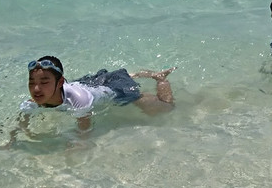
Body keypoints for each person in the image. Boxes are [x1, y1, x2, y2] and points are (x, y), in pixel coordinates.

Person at [14, 56, 175, 136]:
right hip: (88, 83)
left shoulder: (78, 100)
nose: (36, 89)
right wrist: (13, 140)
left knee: (164, 109)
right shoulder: (35, 100)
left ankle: (161, 79)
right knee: (114, 76)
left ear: (61, 82)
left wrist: (77, 145)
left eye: (44, 82)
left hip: (113, 90)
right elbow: (22, 121)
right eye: (31, 82)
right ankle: (142, 74)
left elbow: (84, 130)